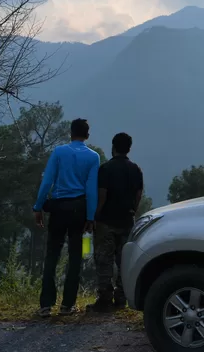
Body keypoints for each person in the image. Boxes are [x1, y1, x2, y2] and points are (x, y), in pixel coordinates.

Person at [33, 118, 100, 317]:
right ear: (87, 135)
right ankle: (67, 305)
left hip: (58, 209)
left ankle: (46, 304)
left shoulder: (59, 152)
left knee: (52, 255)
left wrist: (38, 207)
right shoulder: (93, 157)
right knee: (75, 257)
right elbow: (91, 189)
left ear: (70, 133)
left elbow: (47, 182)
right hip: (79, 210)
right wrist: (90, 216)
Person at [91, 131, 144, 312]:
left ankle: (105, 298)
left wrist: (95, 216)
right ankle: (121, 297)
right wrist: (133, 211)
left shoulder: (105, 169)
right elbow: (138, 195)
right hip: (127, 221)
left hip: (106, 221)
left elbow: (102, 196)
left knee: (104, 260)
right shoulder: (136, 169)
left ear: (113, 147)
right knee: (124, 261)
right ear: (128, 149)